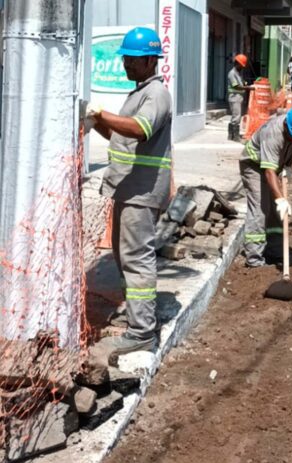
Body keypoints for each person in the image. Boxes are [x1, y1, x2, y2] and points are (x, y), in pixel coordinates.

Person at [88, 27, 172, 357]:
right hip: (130, 188)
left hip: (143, 191)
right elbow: (123, 138)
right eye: (125, 59)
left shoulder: (156, 95)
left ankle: (141, 332)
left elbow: (140, 129)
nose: (127, 65)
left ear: (151, 60)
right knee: (125, 256)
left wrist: (102, 114)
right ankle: (136, 317)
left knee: (137, 259)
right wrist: (99, 123)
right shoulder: (138, 93)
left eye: (134, 60)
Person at [240, 107, 292, 267]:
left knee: (275, 211)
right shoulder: (273, 134)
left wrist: (288, 166)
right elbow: (268, 172)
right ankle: (254, 259)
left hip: (272, 168)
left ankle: (274, 250)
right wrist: (281, 199)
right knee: (260, 209)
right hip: (253, 166)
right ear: (286, 125)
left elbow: (291, 148)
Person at [227, 53, 252, 142]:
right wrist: (248, 88)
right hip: (234, 97)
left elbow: (242, 83)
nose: (242, 67)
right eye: (241, 65)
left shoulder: (238, 73)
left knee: (237, 116)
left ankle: (231, 136)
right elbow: (236, 86)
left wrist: (246, 84)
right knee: (236, 116)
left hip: (239, 97)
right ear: (237, 63)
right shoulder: (232, 73)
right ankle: (234, 135)